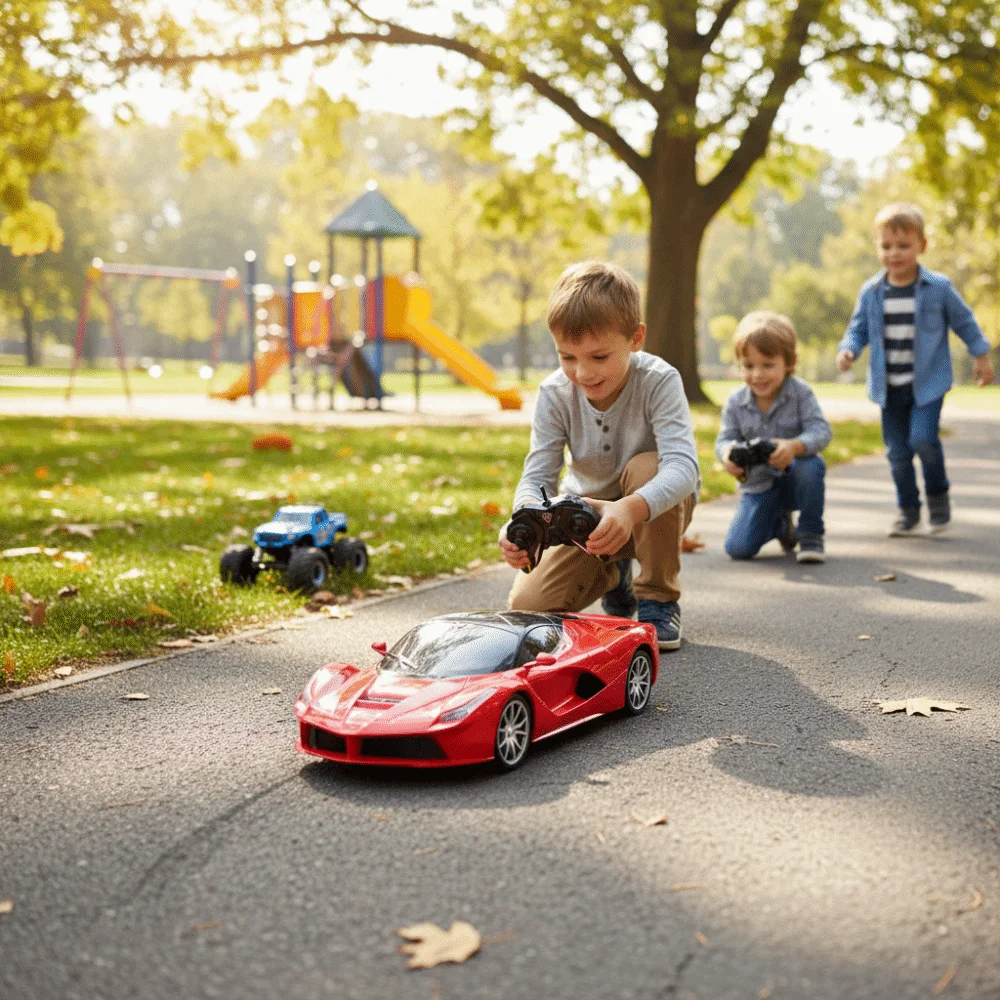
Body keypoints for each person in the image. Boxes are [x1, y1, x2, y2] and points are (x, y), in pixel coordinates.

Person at [498, 261, 700, 651]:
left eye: (598, 357)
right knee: (528, 609)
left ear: (635, 338)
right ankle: (616, 575)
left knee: (650, 466)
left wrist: (627, 509)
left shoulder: (660, 380)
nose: (582, 372)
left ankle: (658, 597)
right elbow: (538, 474)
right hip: (583, 518)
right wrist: (522, 518)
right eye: (567, 357)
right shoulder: (554, 393)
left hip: (649, 508)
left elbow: (683, 468)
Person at [837, 202, 994, 536]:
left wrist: (980, 354)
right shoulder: (872, 291)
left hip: (927, 383)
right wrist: (848, 349)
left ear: (922, 245)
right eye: (886, 246)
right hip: (888, 386)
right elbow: (858, 328)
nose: (894, 253)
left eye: (903, 245)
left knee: (923, 439)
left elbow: (964, 321)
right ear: (877, 248)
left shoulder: (938, 287)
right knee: (897, 453)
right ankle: (908, 510)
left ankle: (938, 496)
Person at [715, 311, 832, 563]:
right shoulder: (736, 402)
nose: (757, 375)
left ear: (789, 362)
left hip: (793, 479)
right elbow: (724, 439)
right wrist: (727, 455)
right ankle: (780, 526)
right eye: (748, 366)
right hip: (758, 485)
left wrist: (794, 446)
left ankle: (811, 534)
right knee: (738, 548)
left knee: (811, 466)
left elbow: (821, 430)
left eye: (767, 365)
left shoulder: (800, 393)